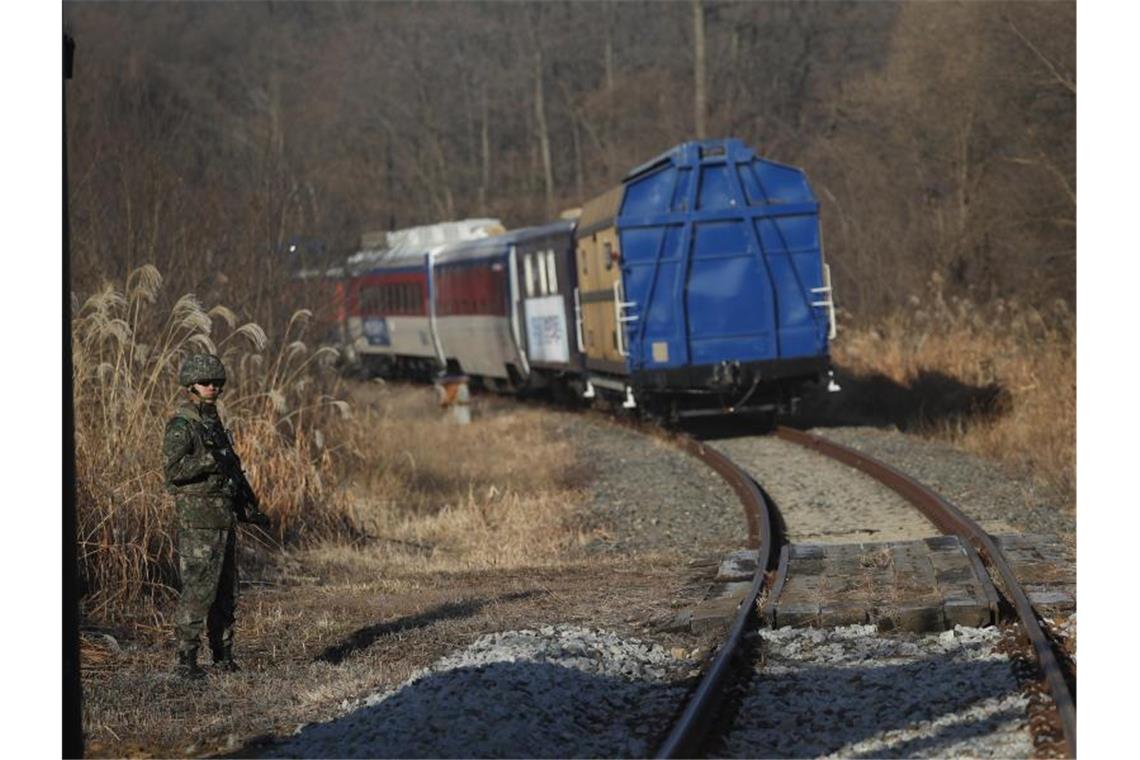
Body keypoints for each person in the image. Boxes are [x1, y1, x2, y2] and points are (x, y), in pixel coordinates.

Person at [163, 353, 270, 679]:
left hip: (223, 517)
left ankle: (223, 656)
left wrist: (247, 507)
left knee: (227, 592)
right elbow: (173, 473)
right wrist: (207, 462)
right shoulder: (183, 425)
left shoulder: (214, 422)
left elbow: (232, 471)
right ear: (190, 386)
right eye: (206, 383)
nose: (213, 387)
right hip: (198, 520)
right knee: (199, 590)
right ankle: (186, 660)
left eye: (217, 383)